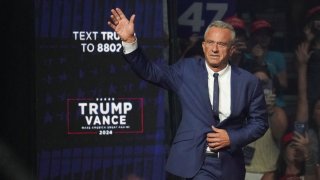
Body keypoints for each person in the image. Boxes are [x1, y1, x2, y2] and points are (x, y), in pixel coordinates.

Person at [107, 8, 268, 180]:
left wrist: (232, 137)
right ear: (203, 46)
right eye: (210, 42)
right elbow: (151, 72)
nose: (214, 49)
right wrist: (130, 42)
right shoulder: (187, 70)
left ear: (232, 49)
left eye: (221, 44)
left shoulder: (248, 82)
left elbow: (259, 122)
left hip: (229, 164)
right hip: (195, 162)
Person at [244, 67, 288, 180]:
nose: (259, 86)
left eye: (264, 83)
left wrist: (270, 111)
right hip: (240, 172)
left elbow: (279, 134)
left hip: (267, 174)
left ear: (272, 89)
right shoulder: (237, 111)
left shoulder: (278, 112)